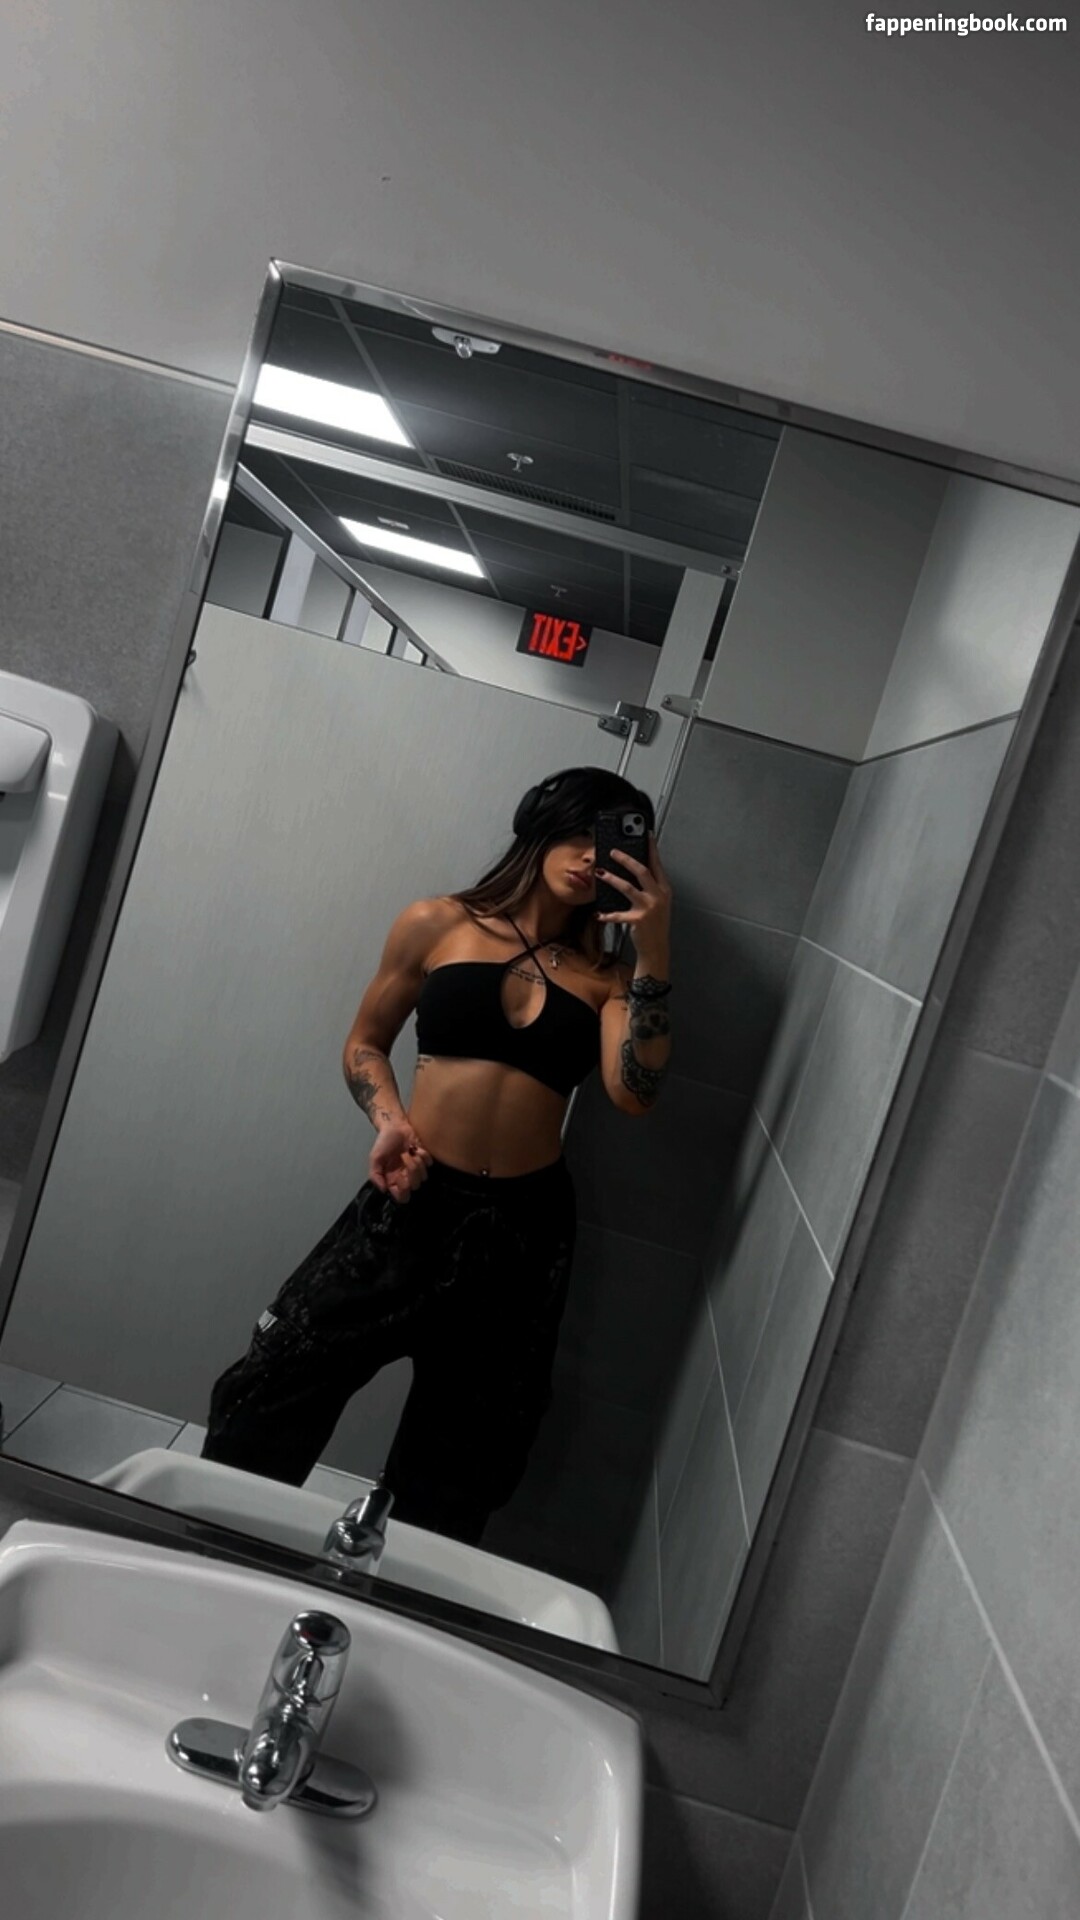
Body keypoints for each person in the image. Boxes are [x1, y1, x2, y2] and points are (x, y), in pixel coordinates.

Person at [201, 766, 673, 1545]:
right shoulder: (438, 923)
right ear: (541, 822)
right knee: (278, 1379)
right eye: (581, 831)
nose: (593, 857)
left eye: (613, 845)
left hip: (523, 1231)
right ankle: (214, 1543)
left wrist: (654, 950)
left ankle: (393, 1594)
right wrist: (390, 1121)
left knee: (468, 1448)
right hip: (412, 1199)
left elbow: (635, 1093)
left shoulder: (610, 977)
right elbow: (365, 1044)